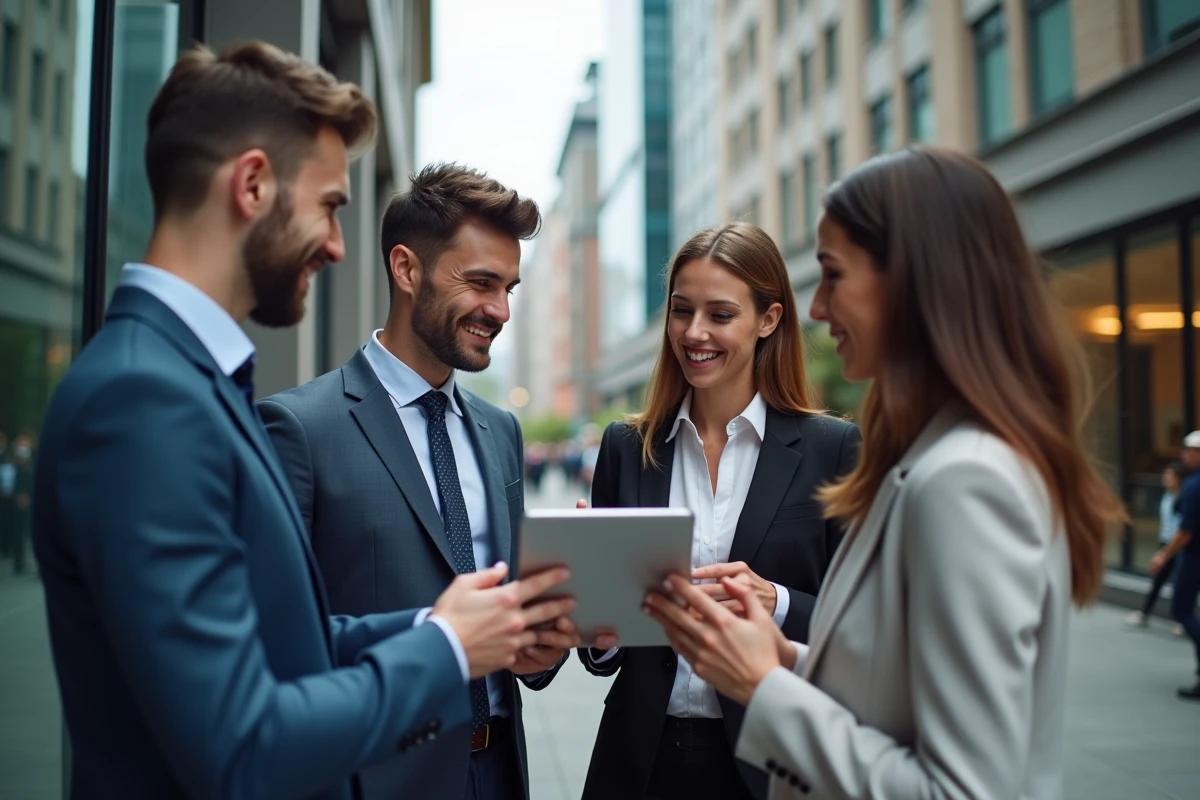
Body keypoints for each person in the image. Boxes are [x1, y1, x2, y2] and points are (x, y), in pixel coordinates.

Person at [31, 43, 573, 799]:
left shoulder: (182, 381)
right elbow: (241, 740)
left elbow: (292, 639)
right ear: (252, 184)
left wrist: (459, 626)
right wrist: (447, 646)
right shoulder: (143, 401)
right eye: (328, 205)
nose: (337, 243)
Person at [643, 147, 1125, 799]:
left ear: (912, 282)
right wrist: (781, 658)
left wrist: (765, 688)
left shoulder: (966, 481)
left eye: (834, 275)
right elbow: (895, 691)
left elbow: (963, 790)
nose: (818, 309)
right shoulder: (933, 459)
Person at [259, 163, 577, 800]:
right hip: (375, 776)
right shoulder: (297, 427)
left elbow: (508, 606)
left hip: (499, 773)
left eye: (510, 288)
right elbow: (277, 644)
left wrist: (541, 648)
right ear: (406, 269)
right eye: (482, 283)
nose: (501, 310)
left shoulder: (500, 431)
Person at [576, 222, 860, 800]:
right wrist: (599, 619)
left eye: (720, 315)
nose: (694, 332)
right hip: (640, 765)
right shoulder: (625, 447)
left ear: (769, 320)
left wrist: (774, 603)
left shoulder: (832, 450)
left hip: (771, 764)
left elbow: (863, 627)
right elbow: (600, 653)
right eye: (682, 311)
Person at [1150, 433, 1200, 700]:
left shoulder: (1193, 485)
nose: (1185, 455)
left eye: (1191, 451)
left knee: (1182, 610)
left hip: (1193, 557)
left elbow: (1185, 531)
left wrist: (1163, 555)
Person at [1127, 460, 1187, 631]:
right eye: (1165, 475)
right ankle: (1145, 613)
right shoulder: (1166, 496)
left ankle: (1179, 619)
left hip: (1177, 545)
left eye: (1170, 476)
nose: (1166, 479)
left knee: (1179, 583)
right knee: (1158, 580)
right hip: (1165, 541)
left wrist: (1168, 550)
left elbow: (1183, 528)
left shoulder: (1184, 497)